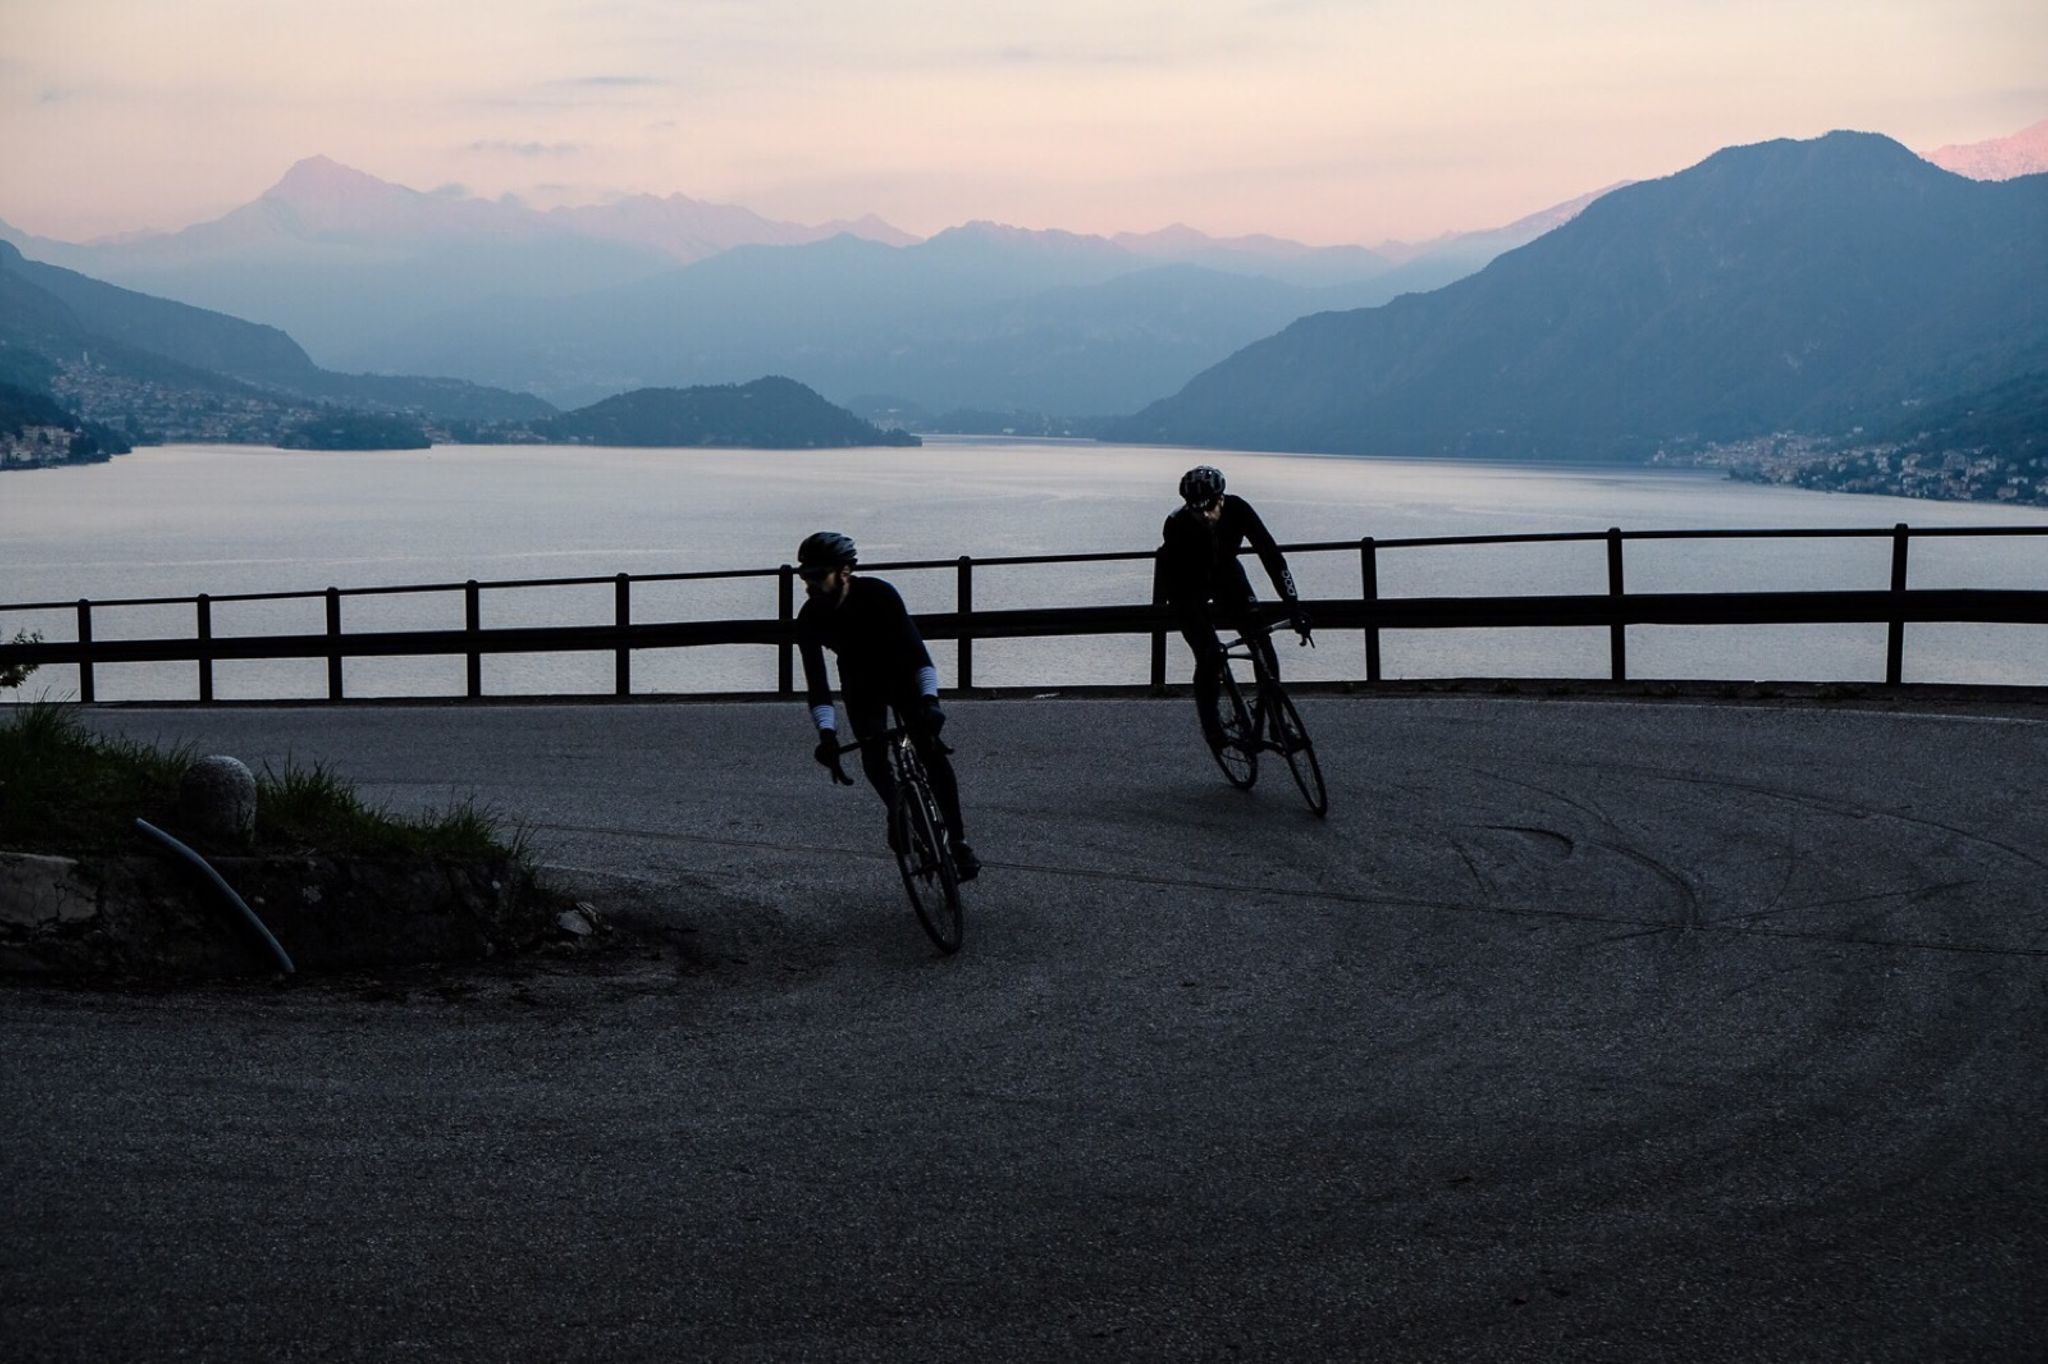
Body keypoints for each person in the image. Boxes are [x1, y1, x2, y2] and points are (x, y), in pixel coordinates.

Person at [795, 530, 980, 880]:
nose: (809, 584)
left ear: (845, 572)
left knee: (930, 751)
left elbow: (918, 656)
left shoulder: (879, 594)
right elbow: (817, 684)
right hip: (858, 680)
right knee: (873, 755)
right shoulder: (809, 618)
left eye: (818, 576)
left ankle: (958, 841)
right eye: (805, 577)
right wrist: (827, 736)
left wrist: (931, 702)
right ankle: (899, 809)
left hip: (900, 673)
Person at [1156, 465, 1310, 748]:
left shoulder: (1238, 509)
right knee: (1209, 655)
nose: (1204, 514)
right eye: (1196, 508)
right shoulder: (1176, 523)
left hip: (1227, 575)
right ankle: (1212, 726)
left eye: (1210, 506)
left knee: (1262, 645)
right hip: (1186, 585)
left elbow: (1271, 556)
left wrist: (1293, 606)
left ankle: (1278, 723)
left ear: (1221, 497)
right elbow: (1180, 591)